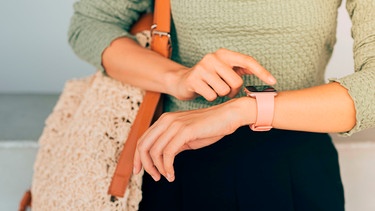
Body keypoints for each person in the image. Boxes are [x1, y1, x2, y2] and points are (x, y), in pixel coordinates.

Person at [68, 0, 375, 210]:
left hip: (296, 161)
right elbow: (91, 24)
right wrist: (177, 78)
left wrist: (241, 110)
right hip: (174, 157)